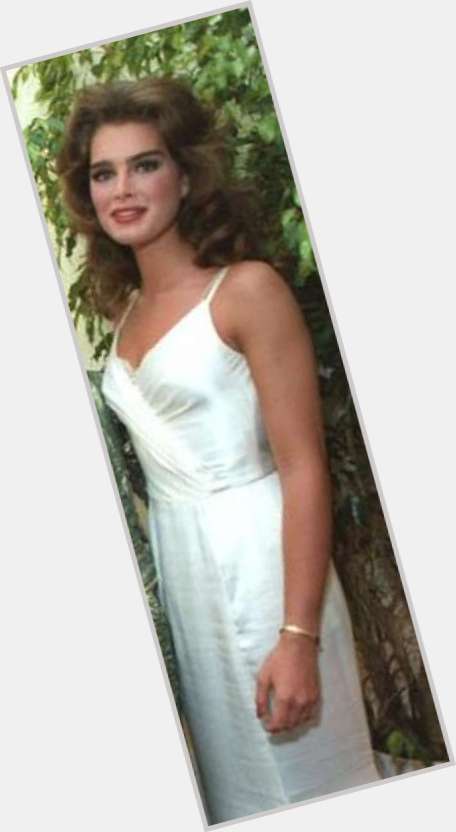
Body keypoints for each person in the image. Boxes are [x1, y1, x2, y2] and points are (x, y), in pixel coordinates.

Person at [57, 76, 381, 824]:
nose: (122, 189)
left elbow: (304, 468)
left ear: (186, 174)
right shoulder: (122, 314)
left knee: (310, 782)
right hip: (188, 583)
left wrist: (296, 637)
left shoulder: (247, 291)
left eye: (145, 164)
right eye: (104, 173)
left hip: (266, 571)